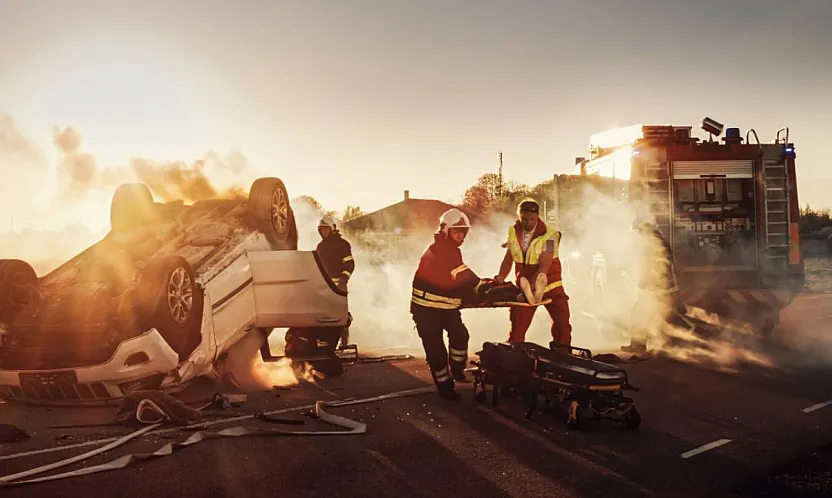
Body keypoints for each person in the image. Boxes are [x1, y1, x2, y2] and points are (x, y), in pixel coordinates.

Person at [411, 208, 492, 399]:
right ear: (446, 230)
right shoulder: (440, 249)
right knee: (437, 352)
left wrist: (480, 288)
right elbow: (463, 275)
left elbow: (454, 280)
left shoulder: (451, 249)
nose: (461, 237)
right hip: (426, 311)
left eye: (463, 233)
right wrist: (481, 286)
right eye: (457, 232)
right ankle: (445, 388)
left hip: (447, 308)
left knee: (460, 335)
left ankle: (456, 369)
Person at [495, 199, 572, 347]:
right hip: (525, 287)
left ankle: (563, 357)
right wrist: (501, 276)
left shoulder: (551, 235)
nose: (528, 223)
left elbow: (546, 261)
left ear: (538, 216)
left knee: (562, 326)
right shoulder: (512, 231)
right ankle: (514, 359)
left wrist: (534, 283)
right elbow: (509, 256)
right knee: (518, 327)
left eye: (532, 219)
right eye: (524, 219)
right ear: (519, 216)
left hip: (551, 287)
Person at [622, 219, 688, 353]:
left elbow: (660, 267)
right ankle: (678, 343)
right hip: (662, 289)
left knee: (639, 314)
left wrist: (647, 280)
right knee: (669, 317)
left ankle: (638, 345)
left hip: (657, 289)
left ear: (642, 231)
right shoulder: (657, 242)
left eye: (637, 232)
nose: (636, 236)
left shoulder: (653, 244)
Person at [316, 215, 355, 349]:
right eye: (321, 230)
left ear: (332, 229)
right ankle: (326, 342)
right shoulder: (320, 247)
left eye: (326, 229)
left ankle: (344, 342)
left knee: (341, 315)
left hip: (339, 286)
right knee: (325, 316)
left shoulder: (342, 245)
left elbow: (350, 264)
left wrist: (344, 279)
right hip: (324, 287)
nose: (324, 232)